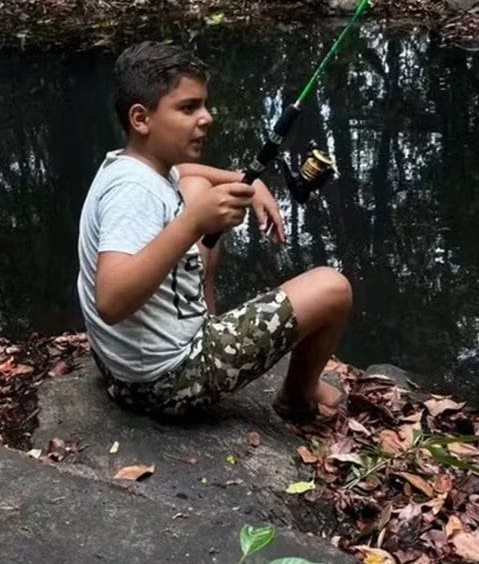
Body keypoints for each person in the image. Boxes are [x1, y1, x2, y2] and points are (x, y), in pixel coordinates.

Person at [75, 41, 351, 422]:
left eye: (204, 105)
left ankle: (205, 323)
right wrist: (193, 223)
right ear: (141, 119)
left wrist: (248, 183)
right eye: (189, 108)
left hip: (124, 369)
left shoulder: (135, 165)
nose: (206, 117)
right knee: (333, 287)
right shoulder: (133, 193)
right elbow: (110, 300)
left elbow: (186, 175)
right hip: (165, 382)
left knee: (197, 189)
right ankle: (297, 393)